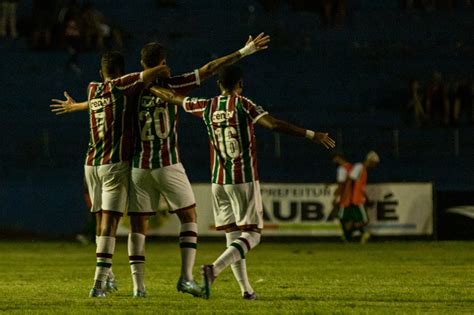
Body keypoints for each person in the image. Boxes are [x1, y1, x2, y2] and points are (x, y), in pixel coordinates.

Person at [50, 33, 270, 298]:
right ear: (162, 62)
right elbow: (211, 69)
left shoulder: (131, 88)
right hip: (167, 163)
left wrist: (77, 107)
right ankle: (186, 278)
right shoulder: (173, 84)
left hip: (137, 167)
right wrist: (244, 51)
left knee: (136, 225)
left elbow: (105, 101)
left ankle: (138, 288)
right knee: (188, 217)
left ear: (141, 64)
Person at [150, 65, 336, 300]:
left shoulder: (206, 106)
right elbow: (273, 124)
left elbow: (175, 98)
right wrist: (311, 134)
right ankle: (214, 269)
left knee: (233, 236)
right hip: (242, 178)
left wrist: (151, 87)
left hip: (218, 181)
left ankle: (246, 291)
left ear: (218, 85)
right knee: (253, 235)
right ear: (240, 84)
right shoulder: (242, 103)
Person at [52, 51, 169, 298]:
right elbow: (149, 74)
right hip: (113, 164)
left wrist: (76, 106)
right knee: (110, 223)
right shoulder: (123, 84)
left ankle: (110, 277)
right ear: (122, 71)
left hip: (90, 164)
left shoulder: (93, 88)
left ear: (100, 72)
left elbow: (99, 102)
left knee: (98, 221)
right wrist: (160, 68)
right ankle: (98, 283)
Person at [339, 151, 380, 243]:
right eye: (375, 163)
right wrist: (346, 195)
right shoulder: (359, 167)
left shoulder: (363, 170)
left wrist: (367, 199)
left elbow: (360, 187)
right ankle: (347, 234)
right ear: (370, 161)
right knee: (365, 220)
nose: (375, 166)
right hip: (356, 199)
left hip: (357, 198)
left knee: (353, 221)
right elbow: (350, 180)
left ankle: (347, 236)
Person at [331, 153, 353, 241]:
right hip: (353, 195)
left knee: (341, 216)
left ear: (338, 158)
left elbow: (341, 183)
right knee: (348, 216)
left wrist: (336, 196)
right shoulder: (351, 167)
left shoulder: (341, 169)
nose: (333, 161)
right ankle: (347, 235)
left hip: (345, 196)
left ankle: (347, 236)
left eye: (334, 158)